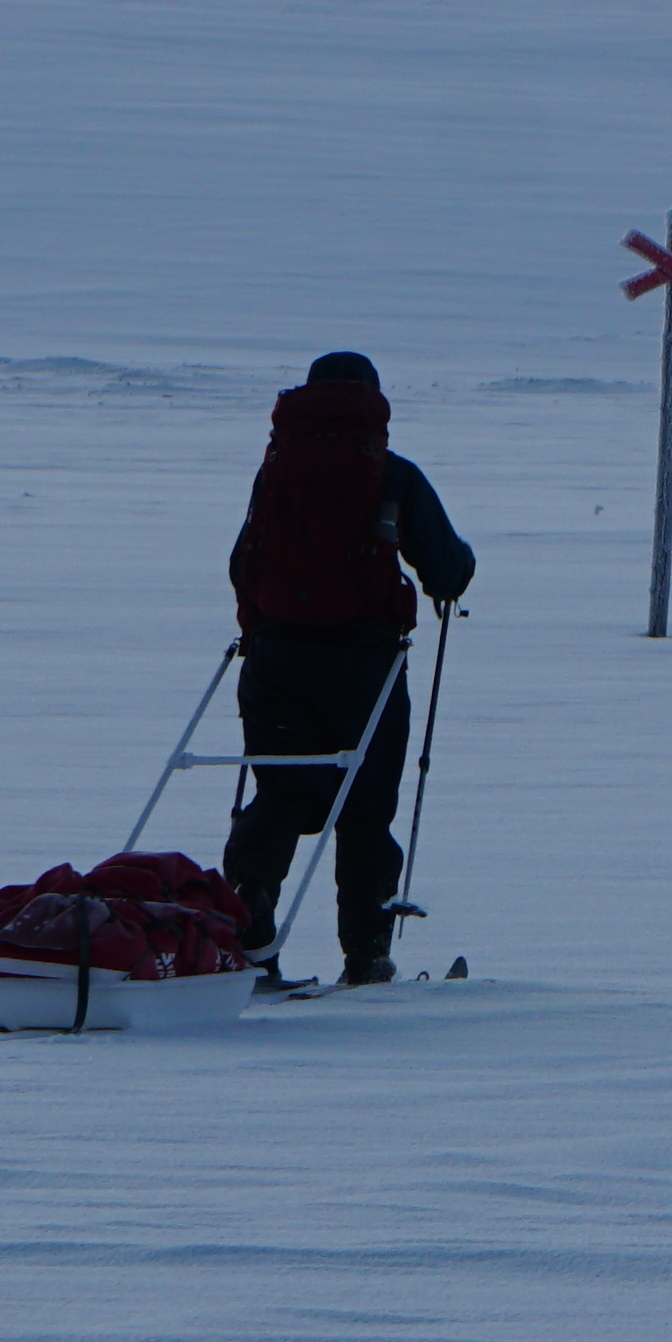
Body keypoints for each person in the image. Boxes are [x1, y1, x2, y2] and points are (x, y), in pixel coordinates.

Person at [218, 351, 476, 985]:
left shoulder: (275, 473)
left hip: (277, 659)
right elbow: (446, 569)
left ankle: (250, 914)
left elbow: (242, 563)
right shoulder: (390, 474)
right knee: (365, 807)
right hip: (366, 666)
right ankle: (365, 951)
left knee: (280, 791)